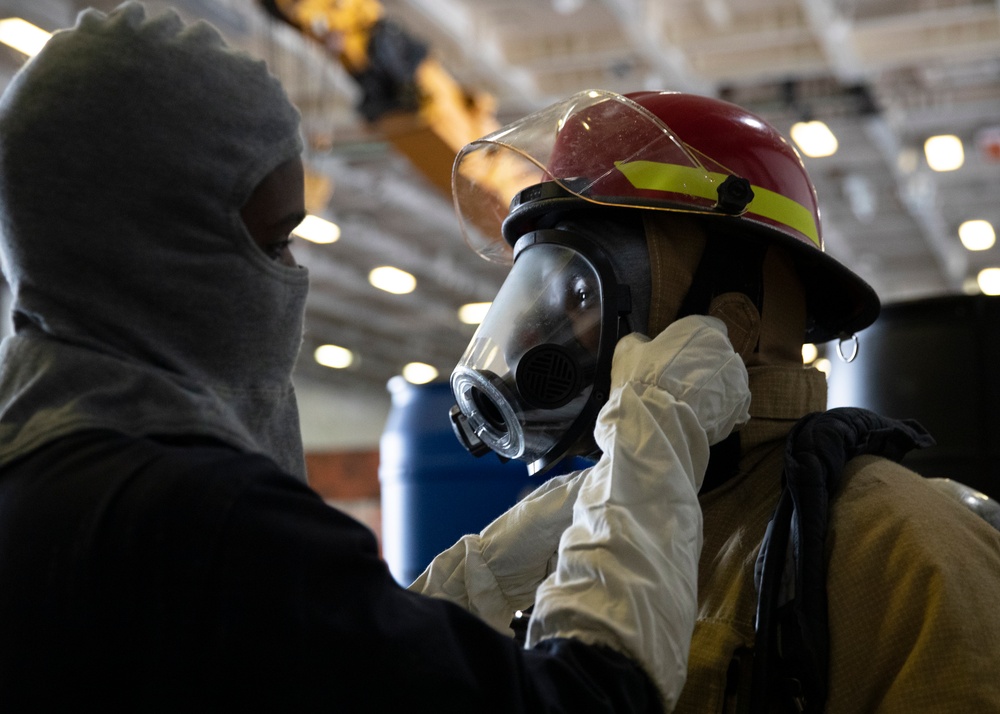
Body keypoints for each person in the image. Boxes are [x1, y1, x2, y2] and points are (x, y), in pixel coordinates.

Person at [0, 4, 752, 712]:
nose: (289, 277)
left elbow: (315, 666)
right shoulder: (203, 518)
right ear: (156, 252)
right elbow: (592, 698)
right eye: (274, 243)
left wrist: (474, 582)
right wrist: (657, 435)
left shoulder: (47, 476)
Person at [438, 89, 1000, 712]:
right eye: (539, 294)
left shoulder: (900, 550)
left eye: (581, 292)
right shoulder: (577, 536)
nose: (543, 337)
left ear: (727, 325)